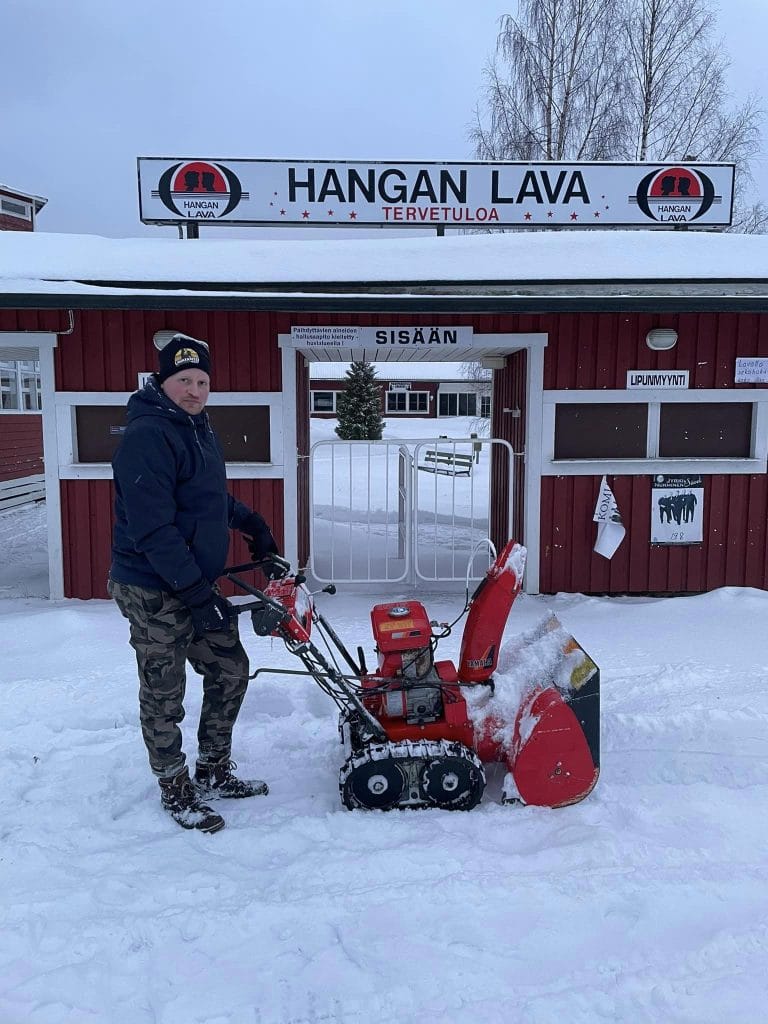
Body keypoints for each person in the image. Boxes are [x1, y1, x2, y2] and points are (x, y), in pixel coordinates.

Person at [108, 332, 282, 834]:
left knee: (230, 669)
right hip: (151, 587)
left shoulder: (197, 428)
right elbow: (153, 531)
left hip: (192, 582)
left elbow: (208, 500)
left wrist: (254, 528)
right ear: (163, 382)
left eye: (202, 381)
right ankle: (175, 788)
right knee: (164, 694)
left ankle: (212, 770)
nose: (194, 389)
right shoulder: (148, 435)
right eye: (184, 380)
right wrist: (199, 595)